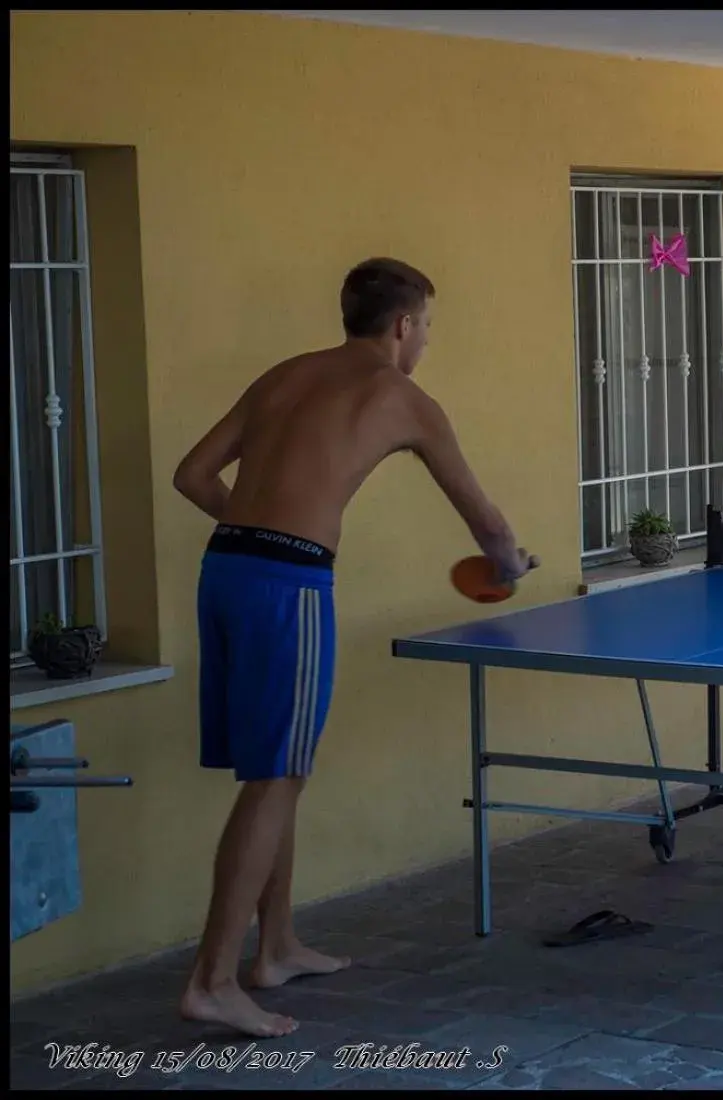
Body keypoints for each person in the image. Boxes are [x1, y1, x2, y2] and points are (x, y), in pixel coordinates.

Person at [171, 257, 538, 1038]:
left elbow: (193, 475)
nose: (427, 342)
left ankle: (274, 948)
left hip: (225, 570)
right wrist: (509, 566)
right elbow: (488, 525)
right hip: (286, 585)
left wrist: (256, 522)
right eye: (428, 326)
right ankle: (212, 980)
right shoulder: (402, 398)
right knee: (273, 778)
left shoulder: (286, 375)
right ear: (403, 325)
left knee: (282, 767)